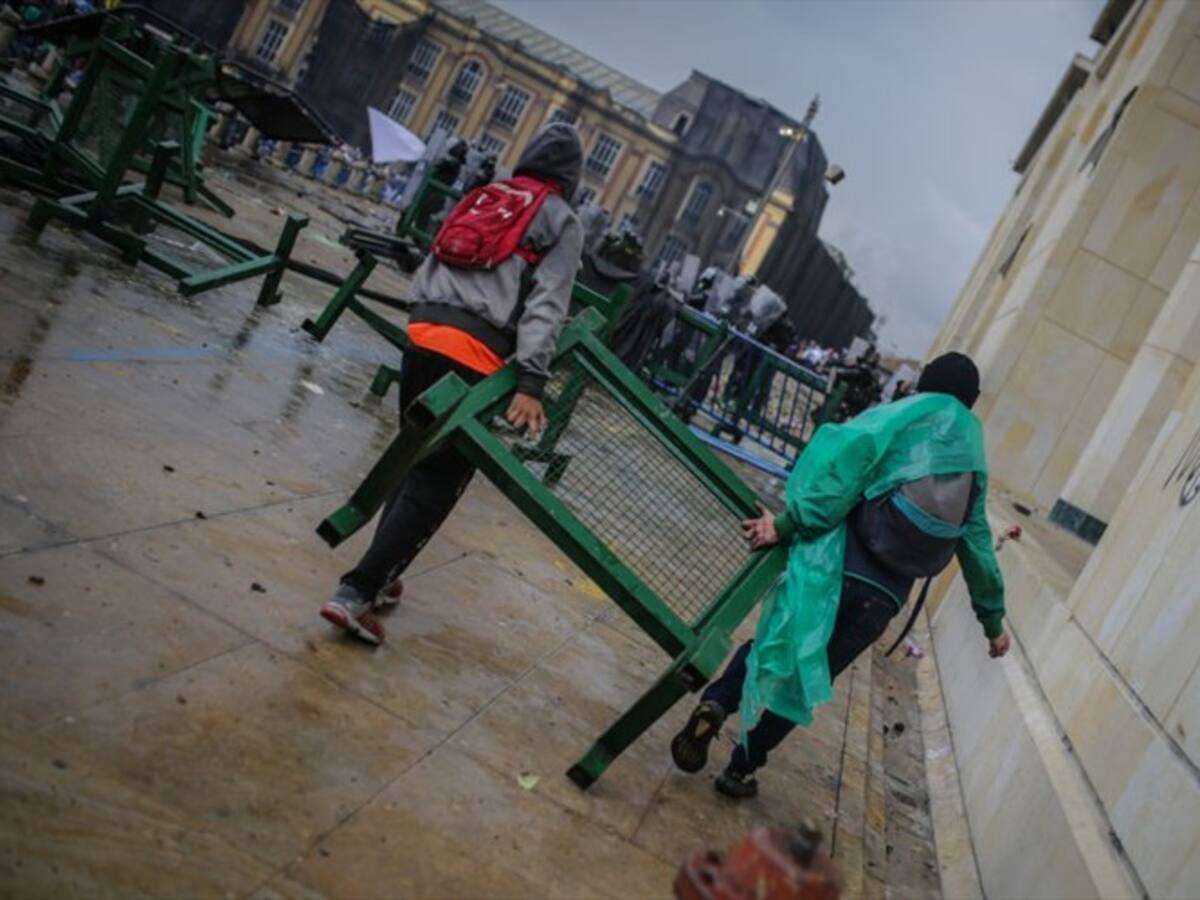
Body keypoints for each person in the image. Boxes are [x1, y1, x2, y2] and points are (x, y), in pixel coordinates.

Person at [670, 352, 1009, 799]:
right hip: (884, 598)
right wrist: (993, 623)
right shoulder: (973, 457)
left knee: (778, 641)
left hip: (836, 568)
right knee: (809, 680)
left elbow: (844, 474)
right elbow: (977, 546)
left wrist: (788, 524)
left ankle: (718, 702)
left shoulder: (902, 417)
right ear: (973, 400)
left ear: (925, 382)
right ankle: (741, 769)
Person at [320, 122, 585, 644]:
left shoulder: (488, 194)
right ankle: (356, 592)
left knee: (414, 455)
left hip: (422, 332)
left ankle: (383, 575)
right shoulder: (560, 219)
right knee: (440, 477)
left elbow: (434, 258)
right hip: (472, 353)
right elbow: (548, 303)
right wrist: (531, 381)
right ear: (571, 178)